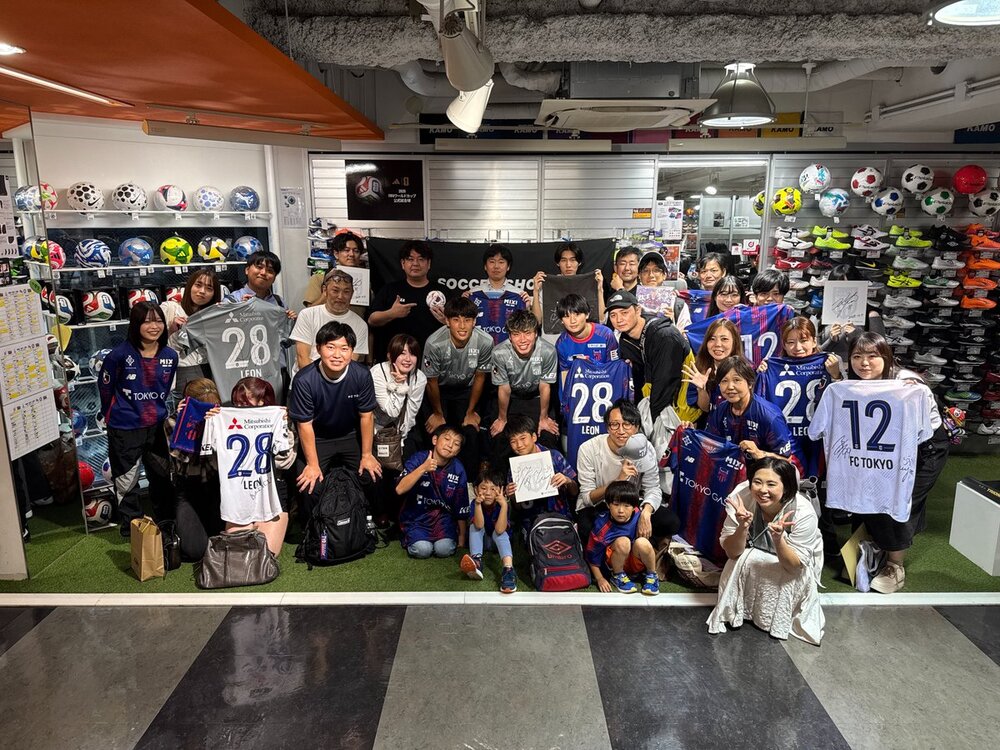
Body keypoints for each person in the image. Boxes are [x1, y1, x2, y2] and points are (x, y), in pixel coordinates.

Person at [818, 332, 949, 593]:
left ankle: (894, 565)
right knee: (865, 494)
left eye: (872, 356)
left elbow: (925, 430)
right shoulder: (852, 384)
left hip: (924, 450)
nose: (864, 363)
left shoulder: (907, 384)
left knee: (898, 500)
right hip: (877, 453)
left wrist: (915, 393)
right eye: (857, 356)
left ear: (886, 356)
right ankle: (868, 550)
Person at [707, 457, 824, 644]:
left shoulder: (803, 512)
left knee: (787, 574)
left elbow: (794, 567)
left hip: (789, 565)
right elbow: (732, 553)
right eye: (757, 482)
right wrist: (743, 527)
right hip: (752, 554)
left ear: (786, 487)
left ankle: (775, 619)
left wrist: (778, 539)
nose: (762, 490)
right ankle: (740, 611)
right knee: (740, 560)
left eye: (771, 484)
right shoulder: (741, 499)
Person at [98, 301, 177, 535]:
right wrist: (118, 415)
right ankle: (131, 527)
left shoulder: (170, 355)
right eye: (147, 321)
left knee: (162, 477)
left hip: (157, 427)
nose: (154, 326)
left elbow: (164, 390)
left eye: (159, 321)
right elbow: (105, 390)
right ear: (135, 324)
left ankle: (166, 522)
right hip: (125, 429)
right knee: (126, 481)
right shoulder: (118, 356)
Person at [288, 321, 381, 518]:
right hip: (318, 437)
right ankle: (312, 528)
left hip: (350, 435)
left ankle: (365, 522)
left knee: (371, 476)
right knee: (309, 485)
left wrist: (367, 454)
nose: (337, 355)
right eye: (330, 347)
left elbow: (366, 416)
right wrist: (312, 465)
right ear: (318, 348)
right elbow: (304, 425)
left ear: (352, 351)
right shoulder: (304, 380)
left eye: (344, 349)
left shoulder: (361, 374)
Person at [203, 377, 297, 556]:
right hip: (237, 493)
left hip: (271, 490)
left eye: (246, 403)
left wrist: (284, 425)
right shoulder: (223, 420)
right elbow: (214, 462)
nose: (240, 408)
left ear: (263, 402)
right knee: (239, 554)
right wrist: (209, 423)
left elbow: (285, 462)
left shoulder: (277, 418)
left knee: (266, 555)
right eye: (237, 403)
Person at [576, 399, 680, 544]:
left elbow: (653, 488)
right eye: (614, 424)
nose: (621, 431)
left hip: (630, 504)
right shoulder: (588, 449)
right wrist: (618, 481)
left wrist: (646, 512)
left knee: (671, 522)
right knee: (586, 527)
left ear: (637, 427)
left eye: (627, 424)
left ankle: (636, 547)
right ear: (607, 428)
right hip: (601, 505)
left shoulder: (645, 447)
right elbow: (588, 499)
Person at [422, 296, 493, 474]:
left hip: (466, 390)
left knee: (470, 431)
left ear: (474, 322)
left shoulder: (485, 341)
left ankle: (469, 481)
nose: (462, 326)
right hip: (439, 390)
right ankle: (431, 478)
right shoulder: (434, 343)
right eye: (456, 320)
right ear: (447, 321)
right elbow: (431, 381)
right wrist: (437, 413)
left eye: (467, 320)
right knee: (437, 432)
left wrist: (471, 411)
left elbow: (480, 377)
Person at [704, 356, 801, 471]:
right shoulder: (720, 410)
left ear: (750, 383)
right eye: (724, 381)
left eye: (736, 380)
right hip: (740, 471)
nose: (730, 387)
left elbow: (787, 460)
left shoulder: (769, 416)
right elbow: (709, 444)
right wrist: (690, 431)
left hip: (781, 471)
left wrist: (760, 454)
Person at [606, 290, 691, 419]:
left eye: (624, 313)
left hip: (681, 412)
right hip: (652, 409)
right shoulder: (625, 340)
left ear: (638, 310)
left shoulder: (664, 336)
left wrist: (651, 421)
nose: (619, 319)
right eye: (613, 315)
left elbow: (665, 384)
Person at [371, 334, 427, 528]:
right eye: (402, 353)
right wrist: (400, 386)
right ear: (390, 355)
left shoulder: (419, 377)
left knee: (405, 461)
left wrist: (400, 440)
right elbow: (391, 410)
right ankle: (379, 512)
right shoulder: (377, 372)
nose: (407, 358)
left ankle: (400, 513)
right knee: (377, 471)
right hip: (375, 429)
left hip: (400, 430)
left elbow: (411, 412)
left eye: (413, 354)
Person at [164, 377, 223, 561]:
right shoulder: (173, 422)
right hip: (189, 488)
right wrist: (187, 423)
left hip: (217, 486)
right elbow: (184, 458)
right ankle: (173, 525)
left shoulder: (223, 419)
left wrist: (217, 424)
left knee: (222, 540)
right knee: (195, 550)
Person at [395, 424, 469, 559]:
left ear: (457, 451)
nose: (450, 445)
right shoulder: (418, 459)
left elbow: (461, 505)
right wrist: (423, 468)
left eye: (456, 444)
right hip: (416, 518)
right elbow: (399, 489)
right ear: (435, 440)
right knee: (423, 550)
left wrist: (462, 536)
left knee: (444, 550)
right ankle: (412, 538)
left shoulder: (458, 469)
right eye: (447, 439)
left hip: (443, 520)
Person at [368, 239, 448, 363]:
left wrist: (446, 321)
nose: (415, 263)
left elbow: (458, 324)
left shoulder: (442, 292)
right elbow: (372, 320)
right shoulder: (390, 289)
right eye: (410, 259)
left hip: (433, 359)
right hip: (396, 359)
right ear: (402, 263)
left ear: (429, 264)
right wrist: (391, 313)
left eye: (421, 259)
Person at [489, 310, 559, 444]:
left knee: (547, 437)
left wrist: (543, 418)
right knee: (501, 439)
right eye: (516, 334)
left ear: (536, 333)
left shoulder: (548, 351)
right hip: (512, 398)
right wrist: (502, 419)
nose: (522, 340)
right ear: (510, 336)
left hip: (537, 398)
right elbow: (504, 389)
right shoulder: (499, 352)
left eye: (527, 333)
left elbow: (545, 387)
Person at [503, 415, 577, 539]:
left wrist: (567, 480)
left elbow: (575, 492)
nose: (519, 445)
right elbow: (518, 507)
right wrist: (513, 496)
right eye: (513, 441)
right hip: (531, 524)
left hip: (560, 518)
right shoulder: (514, 469)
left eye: (523, 438)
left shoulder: (554, 456)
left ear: (534, 437)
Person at [585, 481, 659, 595]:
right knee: (623, 541)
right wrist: (600, 579)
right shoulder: (601, 525)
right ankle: (618, 576)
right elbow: (591, 556)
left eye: (626, 506)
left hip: (636, 561)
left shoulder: (640, 517)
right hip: (615, 562)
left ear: (634, 507)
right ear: (608, 505)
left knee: (643, 542)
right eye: (616, 504)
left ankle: (651, 575)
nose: (620, 510)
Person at [290, 269, 368, 376]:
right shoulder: (307, 315)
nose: (340, 296)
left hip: (339, 381)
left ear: (352, 294)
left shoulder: (360, 325)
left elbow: (350, 361)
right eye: (335, 291)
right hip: (306, 379)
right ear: (325, 290)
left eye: (346, 292)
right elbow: (302, 357)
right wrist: (316, 383)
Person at [161, 267, 220, 398]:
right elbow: (151, 343)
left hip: (212, 371)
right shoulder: (170, 308)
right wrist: (170, 330)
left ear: (214, 294)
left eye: (209, 288)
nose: (202, 291)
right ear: (189, 286)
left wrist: (246, 306)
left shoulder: (215, 314)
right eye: (198, 285)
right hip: (180, 371)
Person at [459, 464, 517, 594]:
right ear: (476, 490)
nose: (488, 493)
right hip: (483, 542)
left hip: (498, 543)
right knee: (474, 527)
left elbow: (500, 530)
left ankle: (508, 569)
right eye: (483, 488)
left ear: (501, 490)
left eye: (493, 488)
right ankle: (477, 561)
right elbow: (479, 525)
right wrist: (478, 504)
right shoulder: (474, 503)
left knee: (500, 533)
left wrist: (504, 506)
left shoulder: (503, 505)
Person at [554, 293, 619, 400]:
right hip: (578, 394)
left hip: (605, 390)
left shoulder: (605, 335)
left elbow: (614, 369)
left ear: (587, 314)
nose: (572, 321)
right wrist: (566, 402)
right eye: (566, 316)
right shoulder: (561, 343)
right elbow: (565, 374)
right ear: (561, 320)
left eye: (577, 314)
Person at [678, 318, 743, 421]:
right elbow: (706, 408)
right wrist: (701, 389)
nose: (717, 344)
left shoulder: (744, 369)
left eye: (724, 339)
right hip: (711, 426)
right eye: (712, 339)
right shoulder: (699, 369)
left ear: (735, 342)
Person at [820, 264, 886, 361]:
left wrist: (857, 336)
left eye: (850, 286)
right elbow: (815, 351)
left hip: (858, 367)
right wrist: (831, 339)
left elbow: (881, 349)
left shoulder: (871, 315)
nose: (845, 291)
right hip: (827, 365)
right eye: (839, 286)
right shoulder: (821, 314)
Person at [532, 241, 606, 325]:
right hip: (554, 333)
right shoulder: (548, 286)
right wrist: (535, 291)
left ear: (579, 262)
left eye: (573, 260)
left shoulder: (589, 285)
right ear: (558, 263)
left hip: (583, 333)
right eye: (563, 260)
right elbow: (537, 322)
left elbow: (601, 320)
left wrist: (600, 290)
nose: (568, 265)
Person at [466, 244, 528, 343]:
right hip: (479, 348)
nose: (496, 266)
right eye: (492, 262)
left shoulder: (519, 294)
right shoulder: (472, 294)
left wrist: (528, 306)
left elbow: (525, 326)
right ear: (485, 266)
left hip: (508, 349)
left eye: (501, 262)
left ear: (508, 267)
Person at [636, 252, 692, 332]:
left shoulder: (678, 305)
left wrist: (671, 324)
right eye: (645, 271)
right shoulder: (632, 303)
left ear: (664, 275)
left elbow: (685, 336)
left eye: (656, 270)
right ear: (639, 275)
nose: (651, 275)